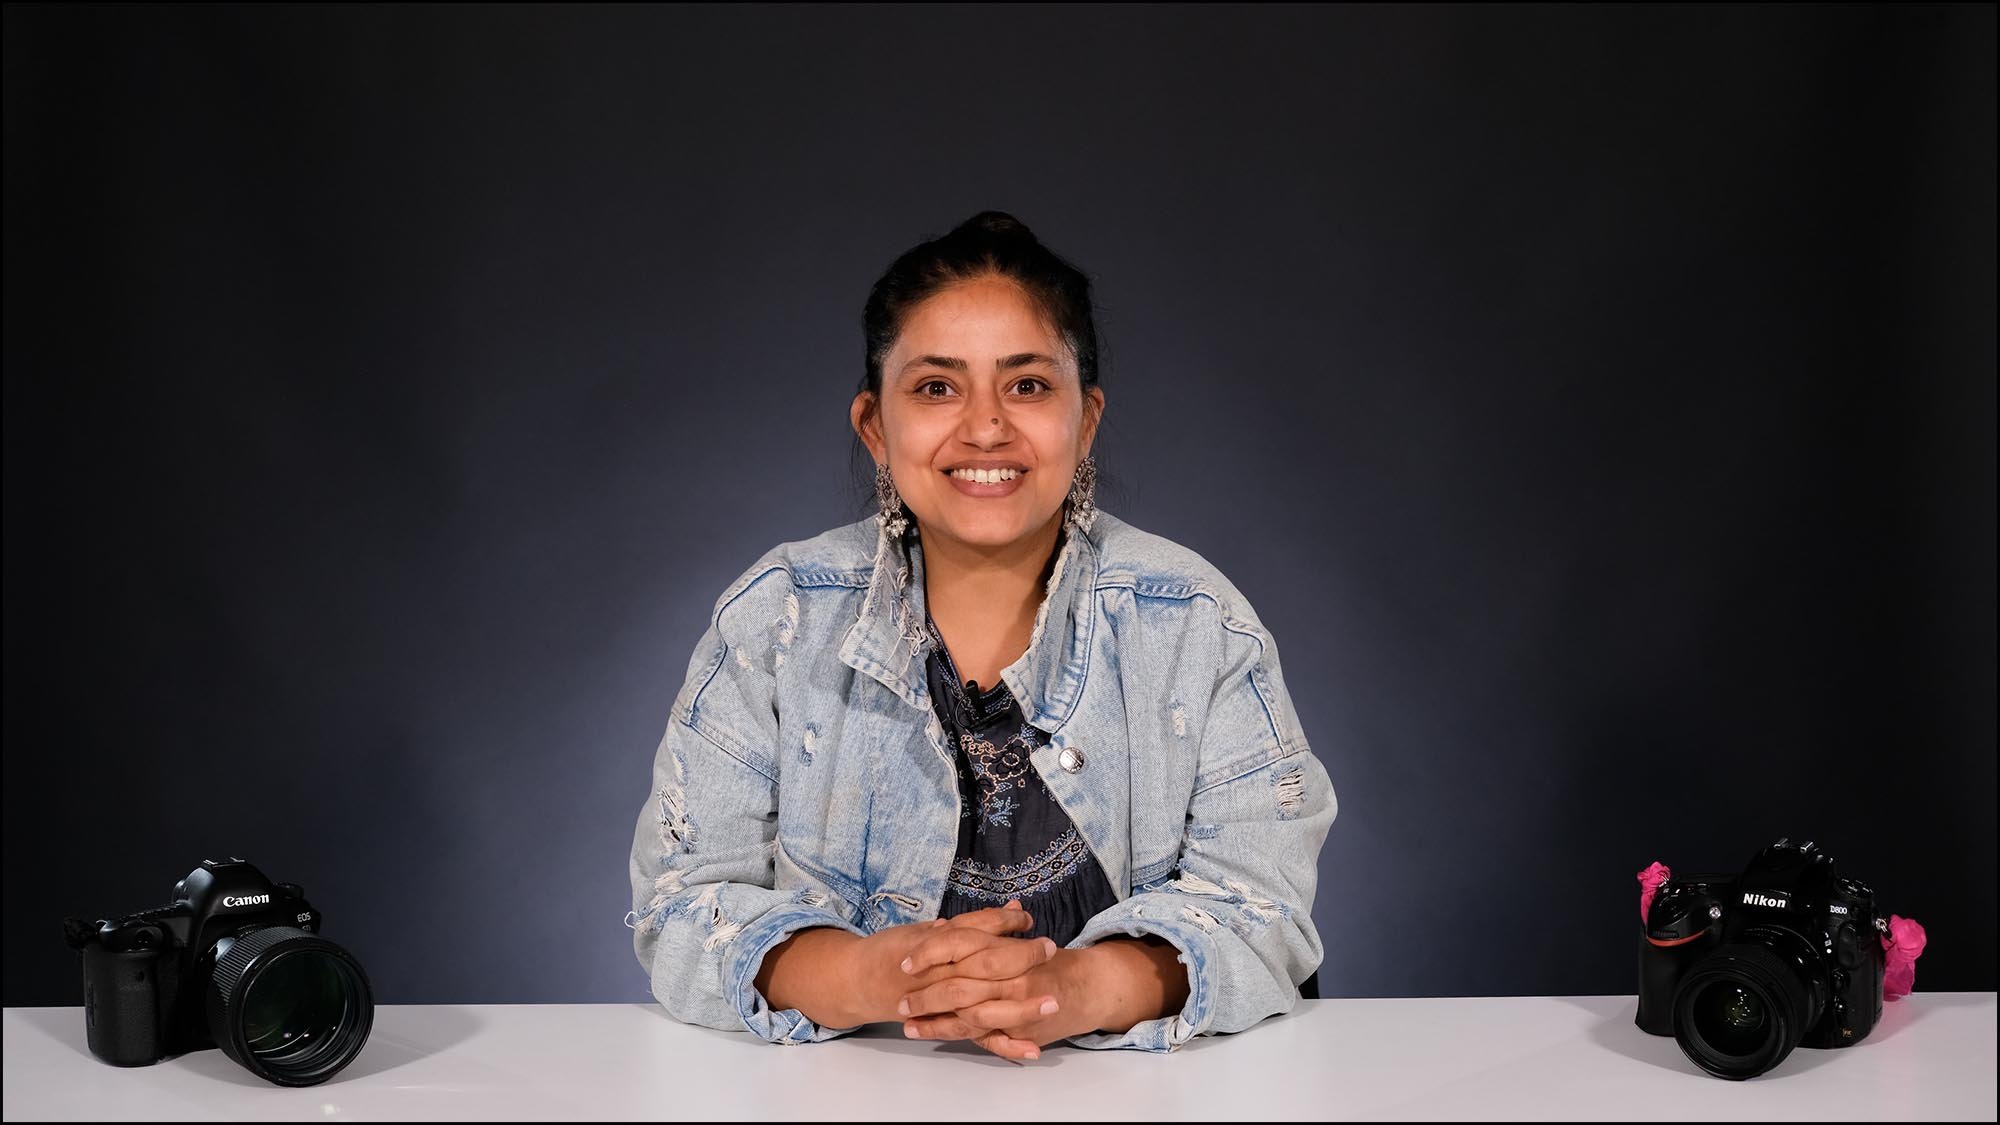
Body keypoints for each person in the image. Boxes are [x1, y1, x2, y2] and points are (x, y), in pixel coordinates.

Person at [626, 211, 1336, 1060]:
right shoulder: (777, 619)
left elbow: (1266, 909)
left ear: (1088, 420)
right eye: (936, 387)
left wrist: (1076, 988)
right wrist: (873, 976)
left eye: (1028, 384)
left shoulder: (1194, 623)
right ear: (876, 428)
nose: (986, 426)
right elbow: (680, 903)